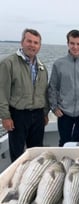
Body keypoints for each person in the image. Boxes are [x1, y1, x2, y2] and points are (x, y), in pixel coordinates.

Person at [0, 28, 49, 162]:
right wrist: (5, 116)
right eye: (29, 41)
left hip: (38, 116)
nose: (32, 45)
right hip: (18, 116)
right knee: (17, 156)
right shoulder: (8, 63)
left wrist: (45, 113)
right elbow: (2, 92)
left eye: (36, 43)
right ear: (22, 42)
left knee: (37, 155)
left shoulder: (42, 67)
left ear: (39, 46)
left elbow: (45, 92)